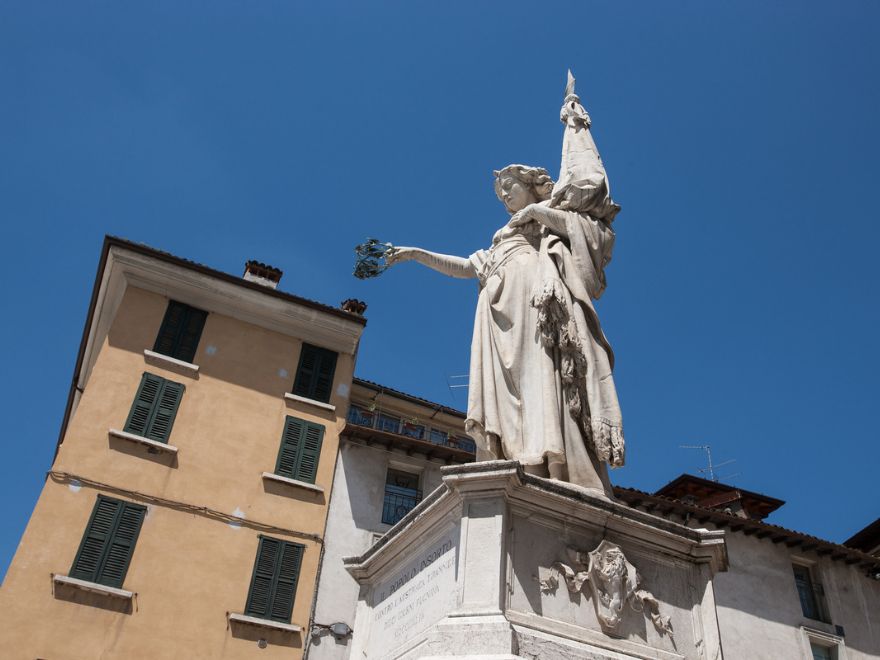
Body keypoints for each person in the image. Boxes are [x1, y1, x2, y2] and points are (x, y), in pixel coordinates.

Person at [386, 161, 624, 495]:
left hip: (529, 299)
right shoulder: (500, 238)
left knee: (538, 375)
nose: (505, 196)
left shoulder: (543, 215)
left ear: (530, 184)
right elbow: (465, 267)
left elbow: (585, 231)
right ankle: (518, 458)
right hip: (495, 313)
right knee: (506, 389)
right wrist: (416, 254)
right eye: (501, 193)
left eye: (509, 187)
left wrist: (534, 213)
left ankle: (550, 461)